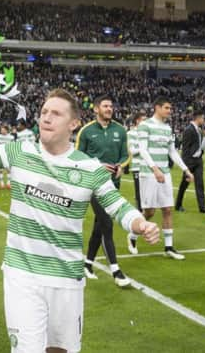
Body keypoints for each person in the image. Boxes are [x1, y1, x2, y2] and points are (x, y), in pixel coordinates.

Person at [0, 82, 160, 352]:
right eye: (44, 111)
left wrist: (141, 223)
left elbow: (118, 205)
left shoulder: (89, 168)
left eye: (56, 113)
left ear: (74, 124)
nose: (46, 117)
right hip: (23, 276)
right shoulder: (20, 152)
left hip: (67, 279)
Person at [75, 94, 130, 287]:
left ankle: (87, 264)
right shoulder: (86, 131)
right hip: (93, 185)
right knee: (107, 223)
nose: (109, 109)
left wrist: (122, 165)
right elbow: (77, 156)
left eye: (111, 106)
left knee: (99, 225)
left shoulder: (120, 130)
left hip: (113, 185)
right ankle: (116, 270)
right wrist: (97, 166)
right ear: (96, 109)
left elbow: (126, 155)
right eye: (105, 106)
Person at [136, 97, 193, 259]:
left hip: (165, 173)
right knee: (150, 212)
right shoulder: (145, 125)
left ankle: (168, 247)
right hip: (148, 173)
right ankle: (133, 234)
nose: (170, 111)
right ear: (157, 107)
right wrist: (155, 169)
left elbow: (172, 152)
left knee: (167, 209)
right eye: (167, 108)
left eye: (170, 108)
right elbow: (143, 150)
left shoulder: (168, 128)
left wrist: (186, 170)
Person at [175, 110, 205, 213]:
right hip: (189, 161)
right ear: (197, 118)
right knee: (184, 184)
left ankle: (202, 208)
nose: (203, 120)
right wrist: (186, 165)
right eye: (202, 118)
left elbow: (199, 145)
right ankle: (178, 204)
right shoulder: (188, 130)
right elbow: (185, 149)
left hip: (198, 160)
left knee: (200, 184)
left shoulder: (199, 130)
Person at [126, 110, 147, 254]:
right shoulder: (130, 134)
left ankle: (138, 230)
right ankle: (133, 237)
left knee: (149, 206)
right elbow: (132, 151)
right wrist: (144, 148)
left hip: (149, 170)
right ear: (137, 121)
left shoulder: (147, 133)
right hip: (138, 169)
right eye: (143, 120)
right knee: (141, 205)